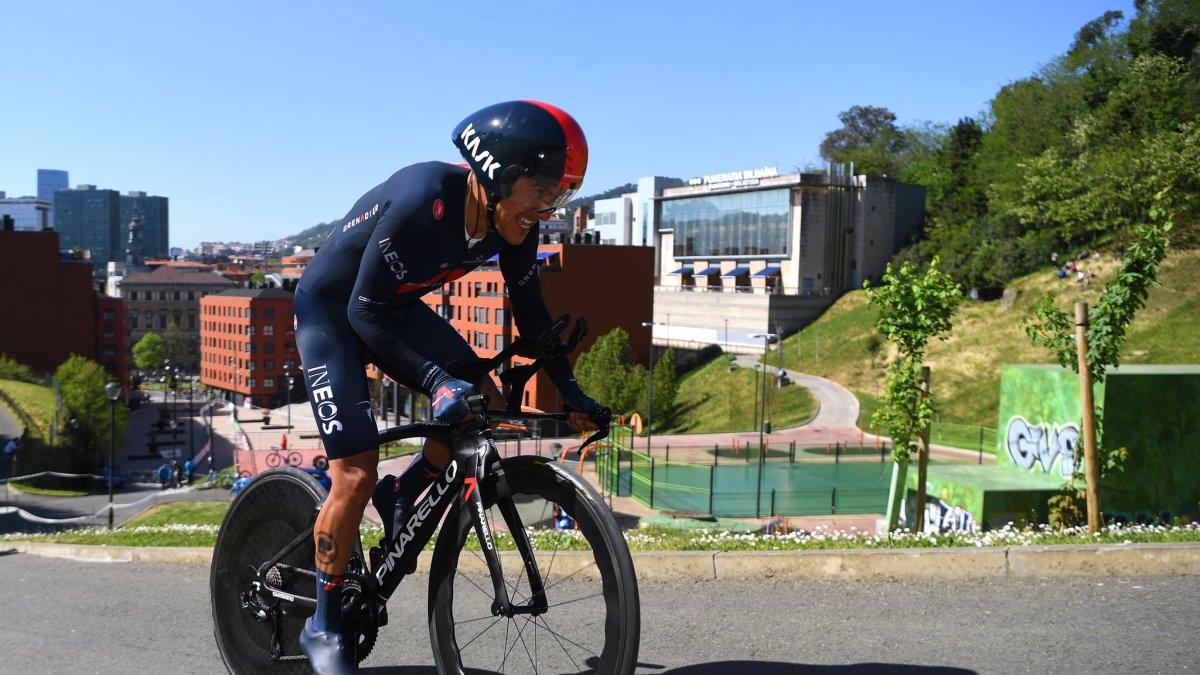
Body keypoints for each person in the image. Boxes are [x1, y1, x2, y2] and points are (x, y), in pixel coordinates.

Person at [292, 100, 600, 674]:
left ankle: (409, 491)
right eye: (541, 190)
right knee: (356, 473)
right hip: (335, 312)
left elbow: (534, 322)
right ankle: (324, 625)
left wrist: (572, 392)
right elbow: (363, 311)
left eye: (558, 196)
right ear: (497, 174)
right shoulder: (422, 199)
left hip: (394, 309)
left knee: (477, 398)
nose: (548, 207)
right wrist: (434, 380)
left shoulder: (516, 225)